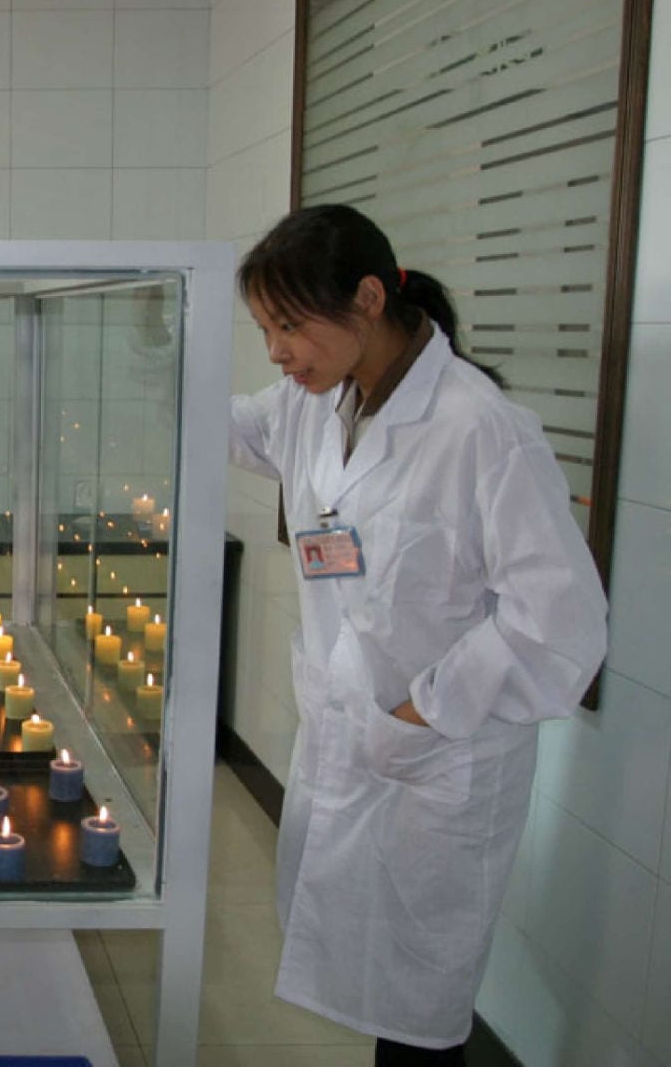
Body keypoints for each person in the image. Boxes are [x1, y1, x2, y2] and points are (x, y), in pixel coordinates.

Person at [228, 205, 608, 1065]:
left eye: (289, 326)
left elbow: (563, 625)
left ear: (368, 298)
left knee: (419, 1014)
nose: (277, 353)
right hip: (357, 743)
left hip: (439, 757)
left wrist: (423, 713)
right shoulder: (314, 404)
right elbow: (235, 423)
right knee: (374, 987)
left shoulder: (482, 429)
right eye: (264, 329)